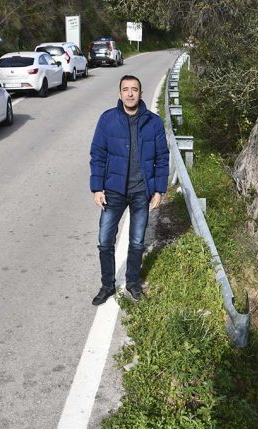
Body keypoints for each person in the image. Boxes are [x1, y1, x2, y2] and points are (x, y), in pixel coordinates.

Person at [89, 74, 169, 305]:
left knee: (136, 241)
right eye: (126, 89)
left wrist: (159, 190)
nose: (130, 93)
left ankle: (132, 283)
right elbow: (98, 155)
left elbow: (162, 158)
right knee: (105, 240)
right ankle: (107, 286)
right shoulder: (108, 120)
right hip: (113, 190)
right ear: (120, 93)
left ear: (141, 94)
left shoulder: (153, 122)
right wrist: (97, 188)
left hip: (141, 190)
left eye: (135, 89)